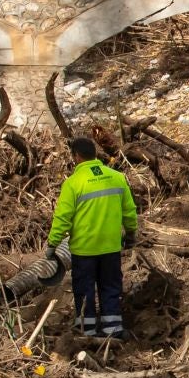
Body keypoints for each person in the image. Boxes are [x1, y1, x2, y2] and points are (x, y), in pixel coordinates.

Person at [49, 136, 138, 339]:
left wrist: (53, 243)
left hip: (84, 250)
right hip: (111, 247)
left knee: (84, 289)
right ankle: (113, 329)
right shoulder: (116, 177)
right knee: (111, 287)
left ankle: (86, 331)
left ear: (76, 156)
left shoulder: (73, 183)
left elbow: (63, 218)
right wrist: (131, 233)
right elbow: (130, 211)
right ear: (95, 154)